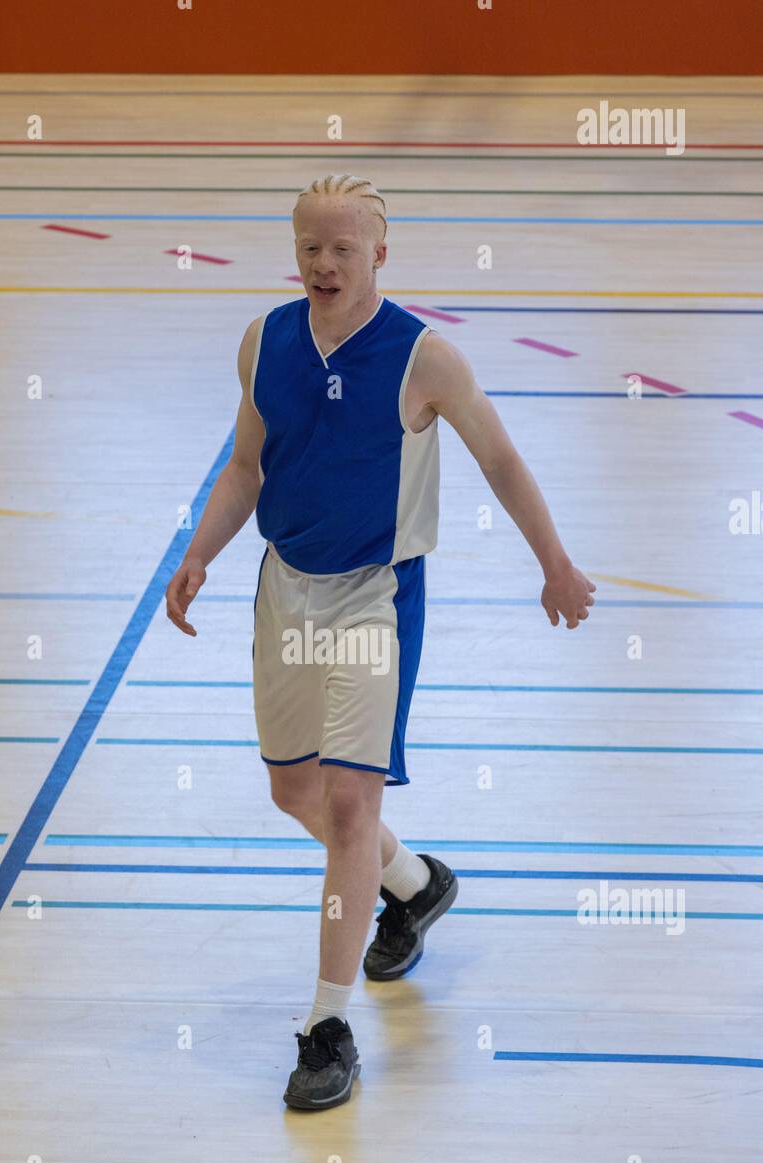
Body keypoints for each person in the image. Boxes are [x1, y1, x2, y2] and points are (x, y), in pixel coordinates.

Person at [166, 172, 595, 1111]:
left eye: (343, 250)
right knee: (294, 792)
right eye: (310, 247)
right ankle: (414, 885)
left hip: (372, 599)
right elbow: (246, 464)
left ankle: (326, 1027)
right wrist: (198, 552)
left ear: (379, 256)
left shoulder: (422, 359)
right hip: (284, 589)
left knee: (350, 806)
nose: (324, 264)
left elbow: (503, 459)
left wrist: (554, 565)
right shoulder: (263, 341)